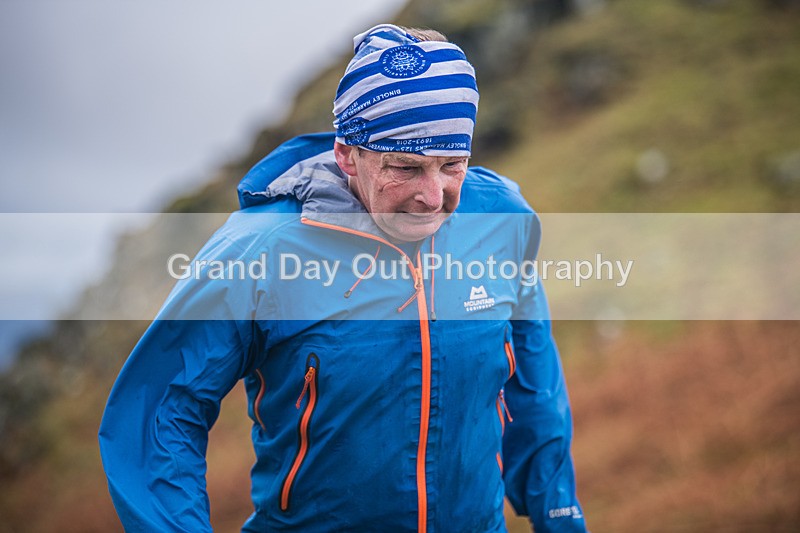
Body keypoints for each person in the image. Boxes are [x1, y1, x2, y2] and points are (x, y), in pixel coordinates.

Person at [99, 24, 586, 532]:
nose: (434, 196)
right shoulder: (258, 251)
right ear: (347, 154)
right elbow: (159, 414)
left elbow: (532, 386)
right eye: (405, 167)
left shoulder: (503, 221)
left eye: (452, 164)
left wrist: (560, 515)